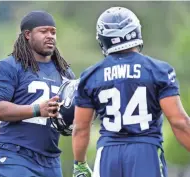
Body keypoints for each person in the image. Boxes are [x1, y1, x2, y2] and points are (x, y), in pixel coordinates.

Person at [72, 7, 190, 177]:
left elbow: (80, 128)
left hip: (108, 154)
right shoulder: (158, 70)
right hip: (145, 151)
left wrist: (80, 164)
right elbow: (179, 122)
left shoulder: (91, 75)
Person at [0, 10, 75, 177]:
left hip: (50, 160)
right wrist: (37, 109)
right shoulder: (9, 66)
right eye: (43, 31)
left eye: (53, 32)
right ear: (27, 35)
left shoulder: (65, 72)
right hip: (16, 155)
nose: (50, 36)